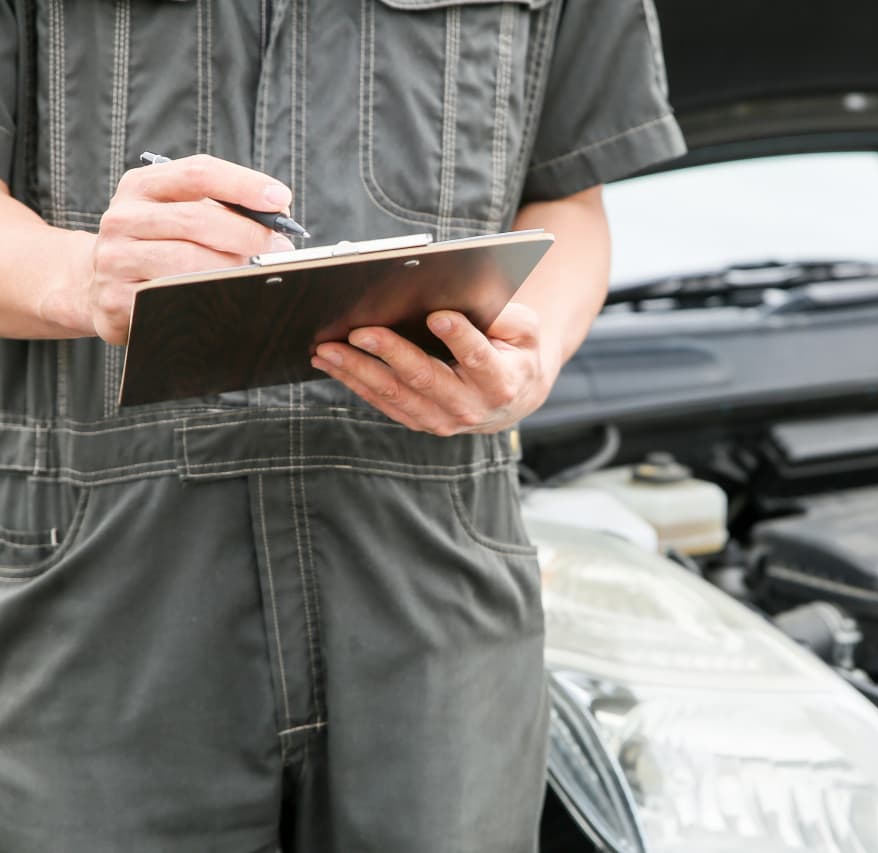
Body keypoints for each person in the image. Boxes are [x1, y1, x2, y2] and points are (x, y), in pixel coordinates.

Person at [0, 1, 685, 850]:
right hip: (97, 575)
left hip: (437, 584)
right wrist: (82, 277)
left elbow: (569, 200)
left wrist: (529, 360)